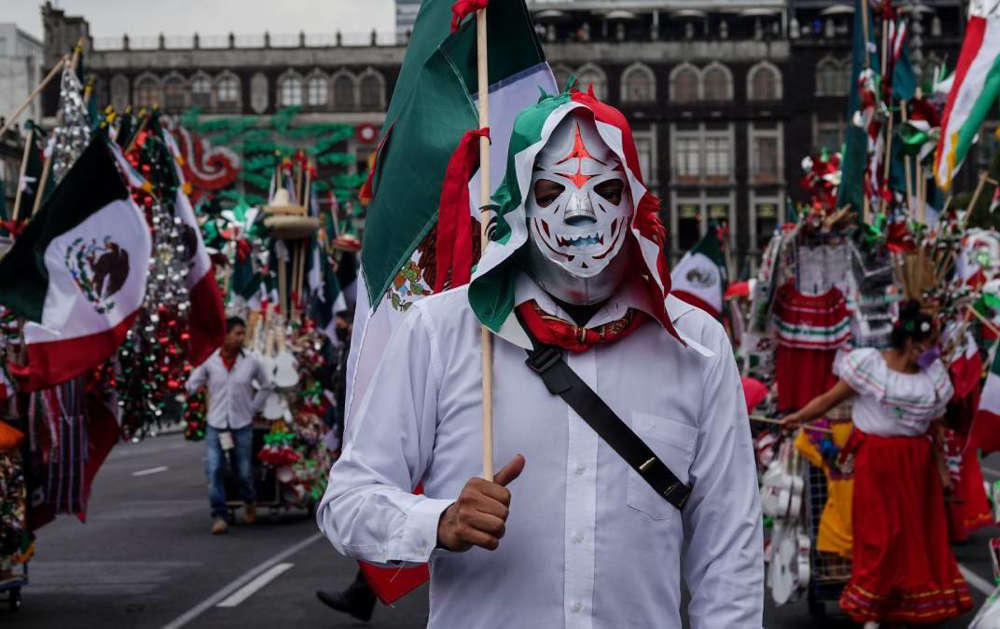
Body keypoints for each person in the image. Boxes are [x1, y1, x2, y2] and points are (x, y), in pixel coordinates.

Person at [319, 89, 764, 627]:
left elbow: (728, 551)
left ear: (634, 198)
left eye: (604, 189)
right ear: (520, 202)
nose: (580, 212)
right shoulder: (440, 333)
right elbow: (347, 501)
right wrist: (440, 521)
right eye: (553, 189)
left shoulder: (696, 345)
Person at [782, 301, 973, 626]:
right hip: (876, 464)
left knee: (914, 539)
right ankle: (872, 610)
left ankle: (909, 609)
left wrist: (943, 471)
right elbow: (830, 400)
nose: (933, 353)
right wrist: (798, 418)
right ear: (911, 346)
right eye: (928, 347)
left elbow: (935, 427)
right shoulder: (870, 366)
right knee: (878, 536)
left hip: (917, 466)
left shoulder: (934, 377)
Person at [314, 308, 382, 623]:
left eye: (346, 320)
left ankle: (362, 593)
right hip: (354, 435)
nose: (341, 324)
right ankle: (362, 593)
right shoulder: (349, 345)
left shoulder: (374, 339)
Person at [185, 316, 271, 535]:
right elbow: (191, 384)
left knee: (242, 471)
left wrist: (253, 407)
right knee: (214, 469)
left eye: (243, 334)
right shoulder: (210, 360)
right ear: (225, 336)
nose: (241, 338)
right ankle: (219, 514)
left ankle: (249, 501)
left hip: (242, 423)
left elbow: (266, 385)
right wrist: (193, 383)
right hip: (216, 423)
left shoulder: (251, 360)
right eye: (237, 333)